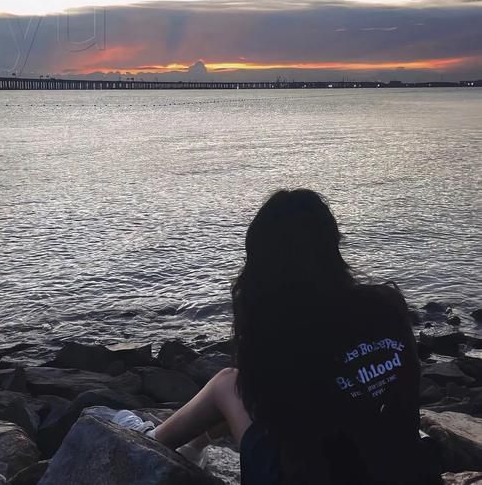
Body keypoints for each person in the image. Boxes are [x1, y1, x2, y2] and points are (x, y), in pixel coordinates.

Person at [119, 189, 442, 484]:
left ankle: (148, 442)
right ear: (332, 245)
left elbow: (271, 413)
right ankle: (192, 445)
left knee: (228, 384)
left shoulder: (283, 330)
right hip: (403, 470)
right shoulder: (387, 304)